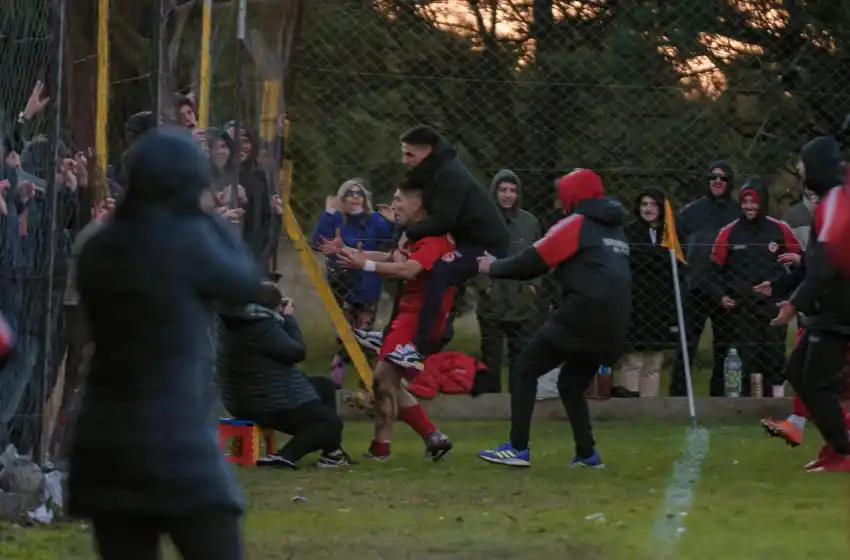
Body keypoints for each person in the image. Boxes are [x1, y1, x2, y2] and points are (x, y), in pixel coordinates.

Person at [68, 127, 265, 559]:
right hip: (177, 436)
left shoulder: (102, 246)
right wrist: (210, 217)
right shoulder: (192, 240)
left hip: (105, 438)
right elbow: (244, 282)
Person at [477, 168, 631, 468]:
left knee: (524, 369)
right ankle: (587, 454)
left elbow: (531, 262)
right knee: (571, 384)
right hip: (616, 324)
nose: (561, 203)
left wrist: (492, 267)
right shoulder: (616, 230)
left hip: (582, 314)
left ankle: (517, 448)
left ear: (573, 196)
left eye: (564, 196)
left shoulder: (576, 223)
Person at [338, 181, 454, 462]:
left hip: (419, 319)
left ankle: (383, 449)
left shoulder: (434, 238)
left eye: (399, 199)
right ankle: (430, 438)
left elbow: (407, 269)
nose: (394, 205)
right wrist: (357, 254)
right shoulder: (414, 235)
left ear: (417, 205)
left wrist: (364, 265)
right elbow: (395, 257)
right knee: (388, 380)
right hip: (407, 314)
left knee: (382, 378)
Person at [383, 125, 509, 370]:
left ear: (428, 151)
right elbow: (414, 210)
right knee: (410, 266)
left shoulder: (450, 175)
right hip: (462, 240)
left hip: (484, 245)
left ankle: (418, 347)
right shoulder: (428, 171)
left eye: (410, 154)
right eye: (403, 153)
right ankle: (391, 333)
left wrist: (408, 233)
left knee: (440, 272)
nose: (404, 160)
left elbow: (444, 219)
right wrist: (402, 236)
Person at [768, 136, 850, 472]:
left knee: (815, 382)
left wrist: (793, 303)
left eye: (803, 163)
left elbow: (826, 264)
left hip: (838, 311)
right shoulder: (832, 200)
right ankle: (838, 445)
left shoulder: (835, 202)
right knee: (797, 373)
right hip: (827, 308)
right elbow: (815, 261)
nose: (800, 170)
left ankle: (843, 449)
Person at [217, 281, 351, 469]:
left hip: (244, 397)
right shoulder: (262, 327)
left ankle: (332, 454)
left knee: (324, 386)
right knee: (331, 423)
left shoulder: (235, 321)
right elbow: (296, 352)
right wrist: (288, 319)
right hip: (267, 404)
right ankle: (284, 457)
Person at [708, 177, 801, 397]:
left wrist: (786, 292)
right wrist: (721, 296)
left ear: (763, 203)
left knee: (775, 356)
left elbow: (800, 262)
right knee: (747, 356)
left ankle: (776, 401)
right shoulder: (728, 232)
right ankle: (751, 403)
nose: (749, 206)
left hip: (773, 305)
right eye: (745, 202)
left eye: (754, 202)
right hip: (743, 307)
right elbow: (713, 272)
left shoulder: (780, 229)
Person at [312, 178, 394, 386]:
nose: (355, 197)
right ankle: (339, 374)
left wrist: (393, 223)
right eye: (350, 193)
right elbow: (317, 242)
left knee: (364, 334)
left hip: (367, 284)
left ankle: (366, 382)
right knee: (344, 334)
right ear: (342, 198)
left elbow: (391, 243)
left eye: (359, 194)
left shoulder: (375, 219)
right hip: (341, 284)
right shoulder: (336, 220)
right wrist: (328, 213)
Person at [669, 160, 741, 396]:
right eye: (713, 177)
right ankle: (679, 395)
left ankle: (720, 395)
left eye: (722, 178)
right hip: (695, 288)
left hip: (726, 290)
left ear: (730, 182)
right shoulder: (690, 212)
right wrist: (684, 277)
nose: (717, 181)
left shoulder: (739, 213)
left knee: (725, 345)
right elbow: (675, 248)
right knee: (686, 344)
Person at [475, 170, 542, 393]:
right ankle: (493, 401)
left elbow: (539, 256)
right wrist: (486, 287)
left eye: (512, 191)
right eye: (502, 190)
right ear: (494, 191)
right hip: (492, 301)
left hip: (522, 300)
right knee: (491, 356)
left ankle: (518, 398)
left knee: (521, 355)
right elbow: (473, 256)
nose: (507, 195)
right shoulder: (481, 220)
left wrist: (534, 286)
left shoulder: (529, 221)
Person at [615, 188, 679, 398]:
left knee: (654, 361)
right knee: (633, 360)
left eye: (653, 204)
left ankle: (649, 405)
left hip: (660, 304)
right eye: (644, 204)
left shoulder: (670, 234)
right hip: (634, 302)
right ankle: (629, 402)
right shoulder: (628, 232)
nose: (648, 209)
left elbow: (676, 266)